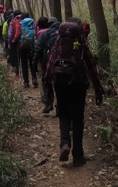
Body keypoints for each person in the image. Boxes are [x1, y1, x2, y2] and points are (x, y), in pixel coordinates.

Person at [46, 17, 104, 167]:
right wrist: (98, 89)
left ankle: (65, 143)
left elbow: (50, 64)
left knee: (63, 113)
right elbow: (91, 67)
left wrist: (48, 86)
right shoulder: (81, 45)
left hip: (59, 83)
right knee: (78, 119)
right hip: (78, 83)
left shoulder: (58, 43)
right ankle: (78, 155)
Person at [33, 16, 60, 114]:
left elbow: (38, 49)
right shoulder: (63, 33)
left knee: (47, 82)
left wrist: (34, 63)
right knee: (59, 84)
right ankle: (59, 106)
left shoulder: (45, 34)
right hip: (62, 64)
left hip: (48, 62)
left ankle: (49, 103)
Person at [18, 14, 39, 88]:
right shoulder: (34, 23)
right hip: (32, 45)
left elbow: (17, 34)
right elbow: (37, 34)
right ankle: (34, 78)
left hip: (22, 46)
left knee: (24, 64)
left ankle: (26, 82)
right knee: (32, 62)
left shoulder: (20, 24)